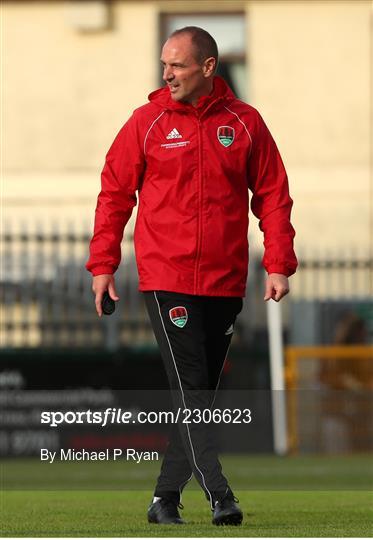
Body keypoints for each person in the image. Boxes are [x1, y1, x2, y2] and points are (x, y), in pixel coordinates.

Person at [86, 26, 297, 526]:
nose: (167, 74)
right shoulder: (147, 122)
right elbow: (114, 194)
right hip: (166, 277)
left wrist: (277, 263)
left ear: (207, 68)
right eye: (164, 64)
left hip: (225, 281)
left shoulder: (245, 124)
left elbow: (273, 195)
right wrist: (103, 265)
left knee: (198, 394)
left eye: (177, 65)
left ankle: (163, 499)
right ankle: (220, 494)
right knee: (192, 389)